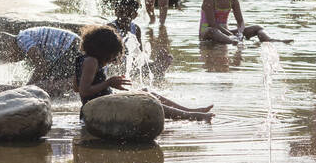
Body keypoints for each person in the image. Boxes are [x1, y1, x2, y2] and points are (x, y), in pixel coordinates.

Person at [75, 25, 213, 120]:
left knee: (146, 91)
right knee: (146, 101)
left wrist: (107, 85)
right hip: (100, 108)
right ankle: (192, 116)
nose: (112, 59)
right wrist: (108, 83)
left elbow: (76, 87)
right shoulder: (91, 61)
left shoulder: (82, 59)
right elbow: (84, 91)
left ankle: (190, 111)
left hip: (103, 102)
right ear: (103, 50)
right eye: (111, 55)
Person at [0, 25, 80, 94]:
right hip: (69, 48)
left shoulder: (22, 40)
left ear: (9, 48)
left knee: (51, 80)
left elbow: (41, 65)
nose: (13, 62)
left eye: (9, 60)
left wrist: (27, 88)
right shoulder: (24, 38)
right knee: (47, 77)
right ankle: (71, 83)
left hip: (71, 48)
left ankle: (71, 84)